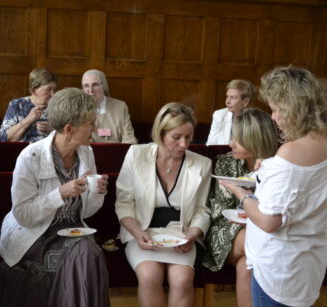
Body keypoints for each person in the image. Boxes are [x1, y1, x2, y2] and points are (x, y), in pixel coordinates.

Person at [221, 66, 327, 306]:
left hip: (279, 267)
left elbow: (269, 221)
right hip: (309, 261)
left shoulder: (290, 152)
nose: (274, 117)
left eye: (276, 109)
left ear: (294, 108)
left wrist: (242, 195)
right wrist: (269, 169)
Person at [0, 88, 110, 307]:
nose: (94, 129)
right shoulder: (31, 156)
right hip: (35, 233)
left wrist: (98, 192)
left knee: (89, 253)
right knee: (84, 256)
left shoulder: (86, 152)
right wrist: (59, 194)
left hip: (73, 229)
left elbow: (86, 212)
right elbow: (23, 216)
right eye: (90, 123)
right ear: (69, 129)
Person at [115, 102, 212, 307]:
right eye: (176, 137)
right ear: (160, 133)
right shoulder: (136, 154)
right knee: (149, 277)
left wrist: (192, 235)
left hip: (182, 233)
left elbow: (202, 210)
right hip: (142, 231)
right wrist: (136, 232)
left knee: (182, 280)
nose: (184, 145)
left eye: (188, 137)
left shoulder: (202, 163)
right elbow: (124, 203)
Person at [202, 108, 279, 307]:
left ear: (256, 139)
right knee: (265, 241)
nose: (231, 143)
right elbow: (219, 213)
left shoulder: (278, 164)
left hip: (266, 229)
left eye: (239, 138)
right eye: (232, 136)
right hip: (227, 232)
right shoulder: (226, 163)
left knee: (247, 266)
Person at [0, 67, 57, 142]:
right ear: (34, 90)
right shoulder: (17, 105)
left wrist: (52, 131)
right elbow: (4, 138)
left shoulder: (58, 107)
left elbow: (69, 137)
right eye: (48, 89)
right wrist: (28, 119)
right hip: (21, 151)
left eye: (54, 89)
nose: (53, 94)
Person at [81, 69, 138, 144]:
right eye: (86, 86)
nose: (90, 90)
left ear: (103, 86)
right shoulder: (78, 109)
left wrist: (122, 153)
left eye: (95, 85)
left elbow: (129, 137)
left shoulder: (120, 107)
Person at [206, 79, 256, 145]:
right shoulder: (219, 115)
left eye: (232, 97)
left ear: (245, 101)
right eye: (227, 96)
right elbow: (210, 143)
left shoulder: (257, 120)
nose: (227, 102)